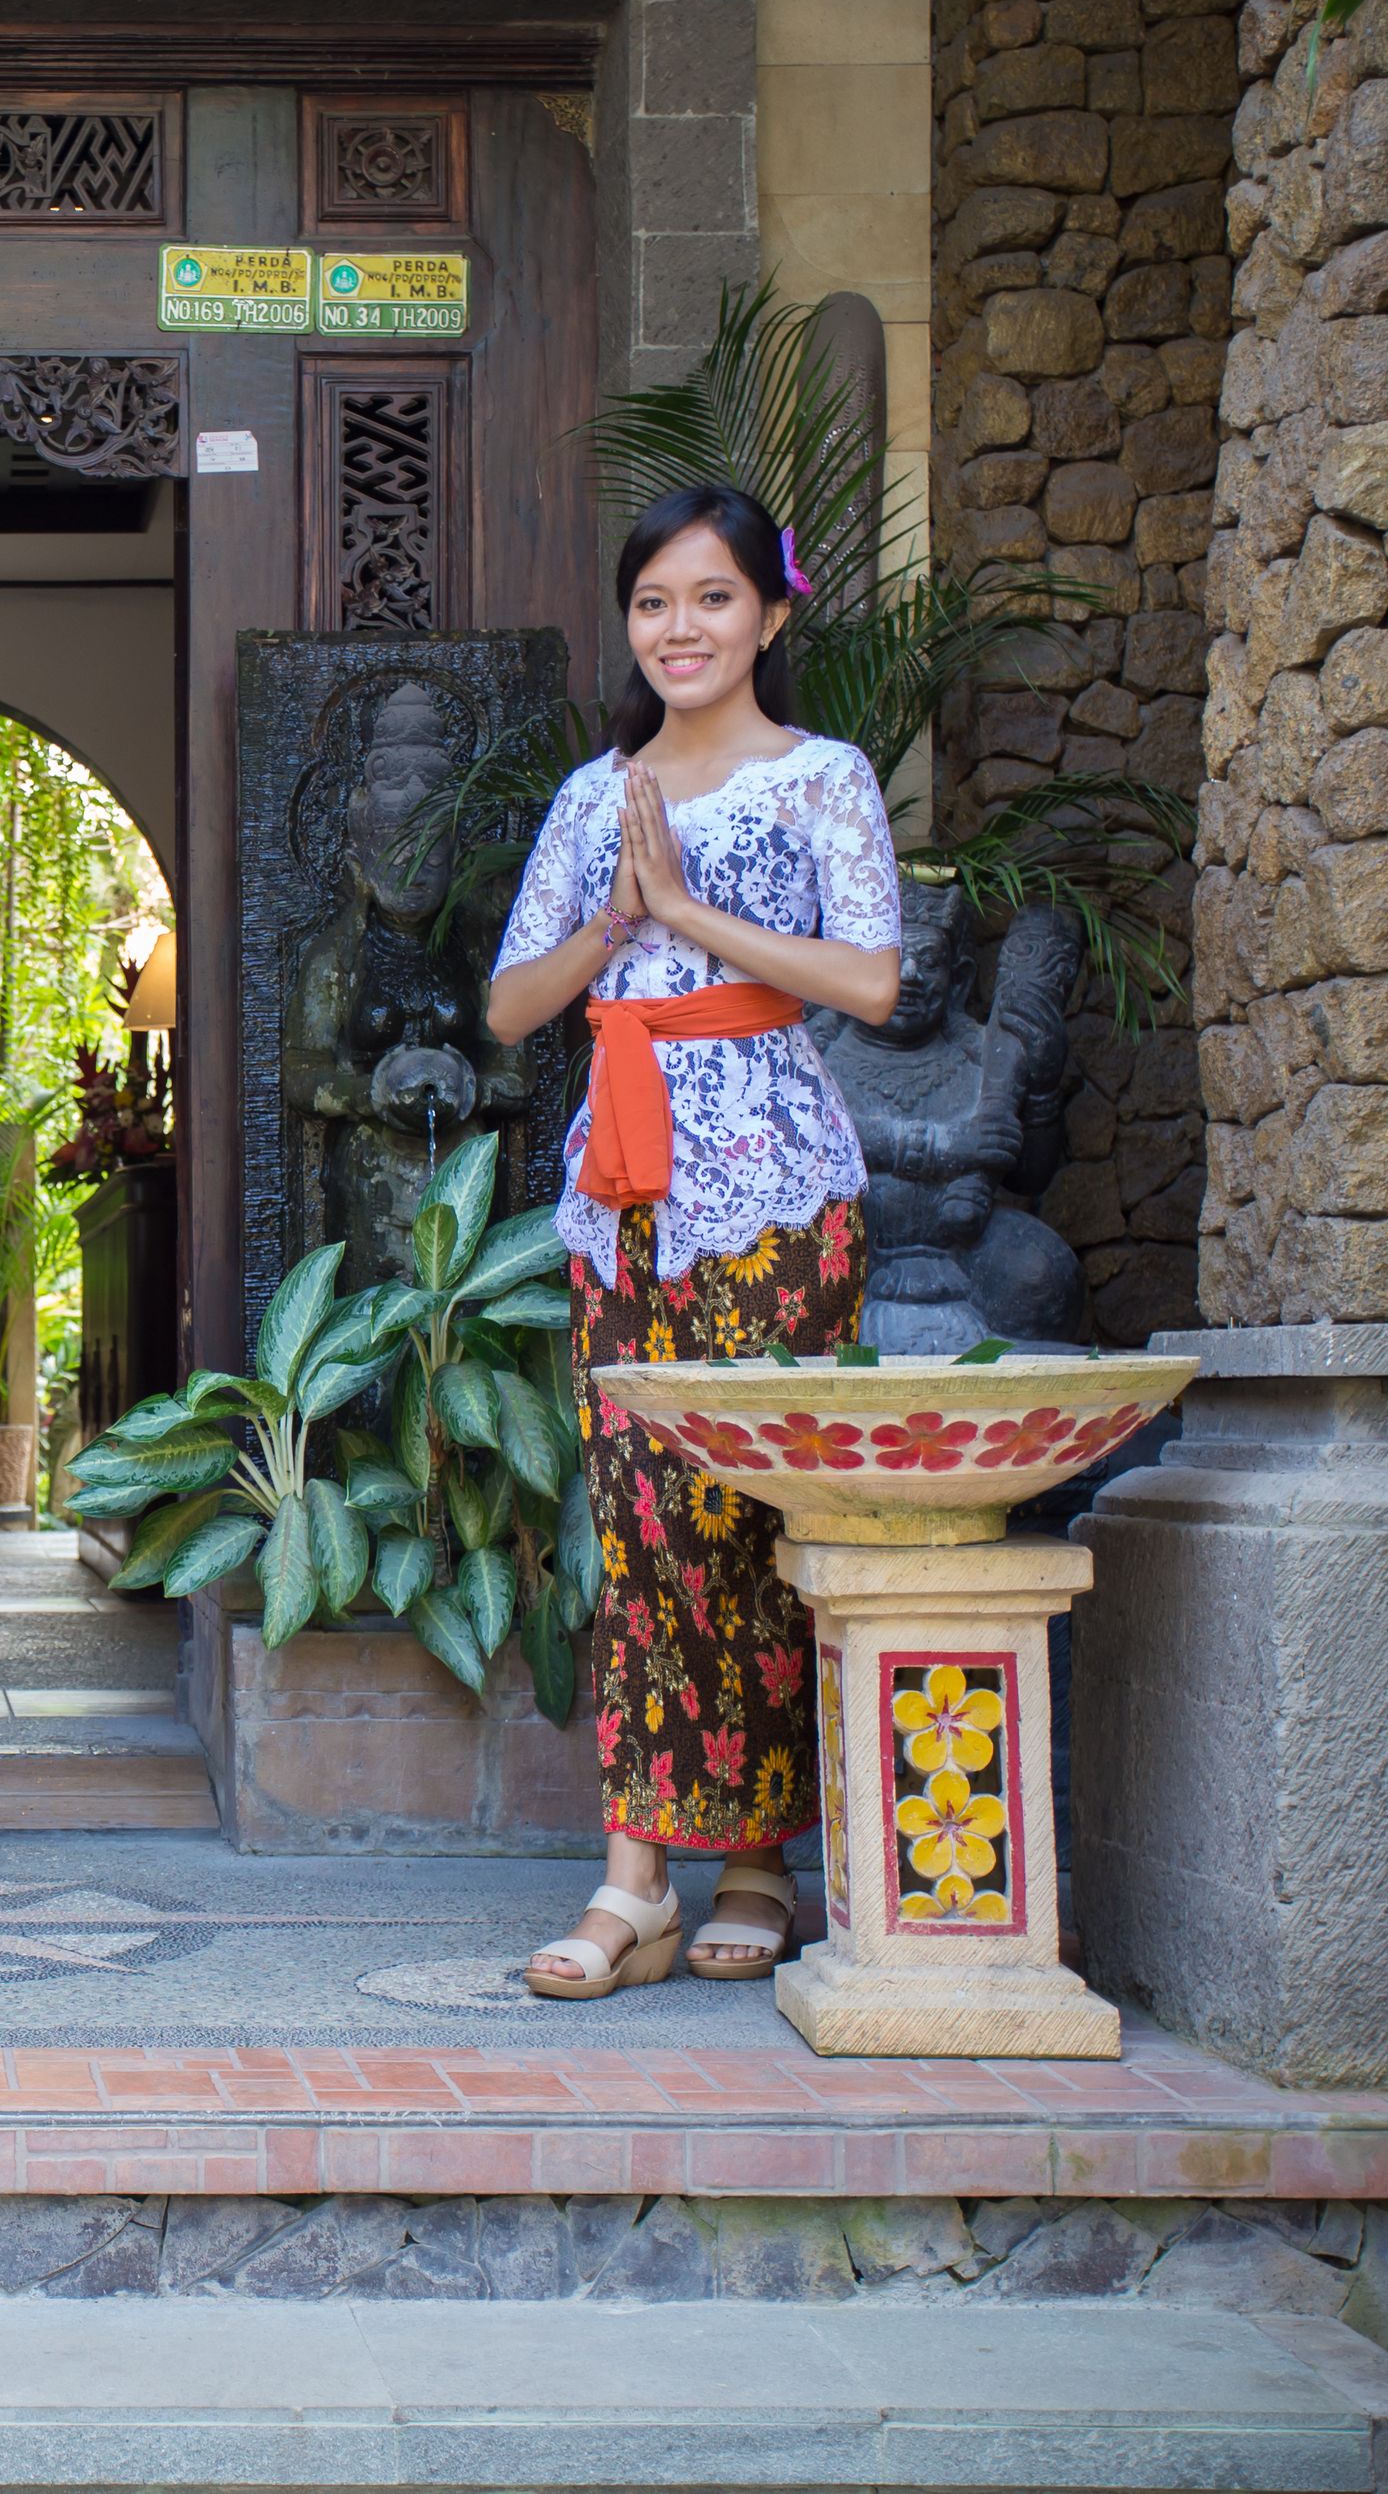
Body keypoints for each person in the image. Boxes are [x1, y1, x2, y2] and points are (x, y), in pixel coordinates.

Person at [483, 481, 903, 2002]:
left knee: (765, 1531)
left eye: (712, 597)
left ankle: (760, 1863)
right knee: (644, 1532)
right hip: (623, 1201)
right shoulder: (596, 793)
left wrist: (691, 914)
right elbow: (511, 1007)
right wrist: (616, 921)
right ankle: (634, 1879)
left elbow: (868, 981)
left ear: (771, 616)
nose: (681, 627)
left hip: (779, 1196)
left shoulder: (822, 780)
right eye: (656, 600)